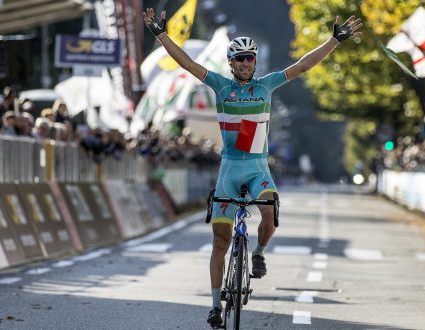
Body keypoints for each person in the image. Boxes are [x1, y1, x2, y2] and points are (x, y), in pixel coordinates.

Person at [143, 7, 362, 326]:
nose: (246, 63)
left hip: (258, 169)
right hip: (230, 169)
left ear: (254, 63)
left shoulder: (266, 85)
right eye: (240, 58)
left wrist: (333, 41)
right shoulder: (220, 85)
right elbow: (187, 64)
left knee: (270, 212)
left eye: (250, 58)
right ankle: (216, 305)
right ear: (230, 63)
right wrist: (162, 35)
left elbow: (303, 65)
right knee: (220, 240)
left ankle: (258, 252)